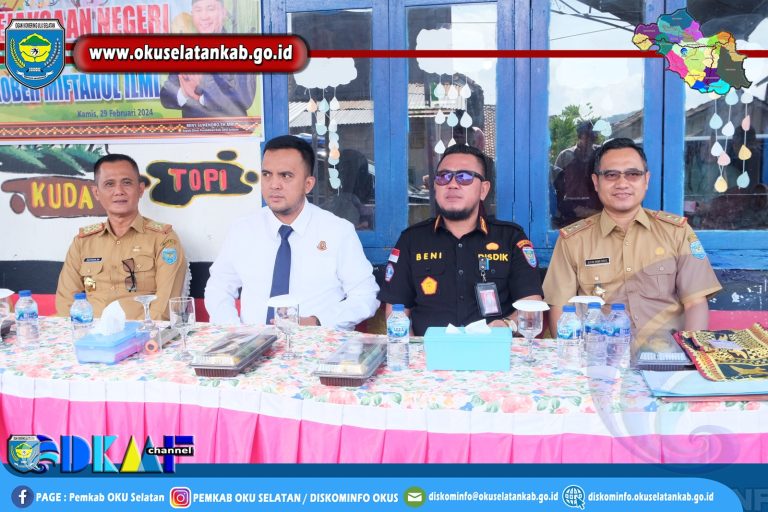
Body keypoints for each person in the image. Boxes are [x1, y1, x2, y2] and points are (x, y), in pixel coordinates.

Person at [543, 137, 722, 348]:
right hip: (598, 358)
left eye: (633, 174)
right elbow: (560, 308)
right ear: (596, 182)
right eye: (611, 175)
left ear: (646, 180)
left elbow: (695, 303)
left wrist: (691, 355)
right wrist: (573, 359)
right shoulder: (573, 241)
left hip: (666, 357)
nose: (622, 183)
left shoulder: (677, 233)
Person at [204, 135, 380, 328]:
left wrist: (318, 322)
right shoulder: (243, 231)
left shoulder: (337, 231)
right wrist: (234, 330)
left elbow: (365, 295)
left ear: (308, 184)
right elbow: (219, 288)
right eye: (267, 174)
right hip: (254, 342)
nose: (274, 184)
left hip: (317, 341)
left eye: (286, 175)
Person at [378, 144, 543, 336]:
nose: (452, 184)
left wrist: (507, 325)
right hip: (431, 352)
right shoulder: (412, 240)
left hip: (494, 350)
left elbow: (532, 307)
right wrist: (416, 353)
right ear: (435, 187)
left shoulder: (511, 238)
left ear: (483, 190)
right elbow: (396, 312)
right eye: (443, 176)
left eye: (464, 177)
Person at [55, 154, 187, 320]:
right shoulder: (83, 242)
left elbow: (165, 307)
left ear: (140, 189)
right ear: (96, 192)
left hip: (143, 331)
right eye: (109, 184)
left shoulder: (163, 239)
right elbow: (66, 302)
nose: (119, 191)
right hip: (91, 331)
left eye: (126, 183)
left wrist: (145, 333)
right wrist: (80, 332)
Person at [160, 0, 257, 118]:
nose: (204, 16)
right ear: (192, 14)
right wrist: (183, 94)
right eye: (198, 10)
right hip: (192, 128)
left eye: (210, 9)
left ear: (223, 13)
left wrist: (200, 97)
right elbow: (165, 96)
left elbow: (245, 99)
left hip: (231, 128)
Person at [551, 121, 602, 227]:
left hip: (596, 210)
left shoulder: (599, 154)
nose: (588, 140)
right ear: (579, 136)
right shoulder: (565, 155)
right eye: (585, 136)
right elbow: (556, 186)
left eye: (592, 137)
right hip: (570, 213)